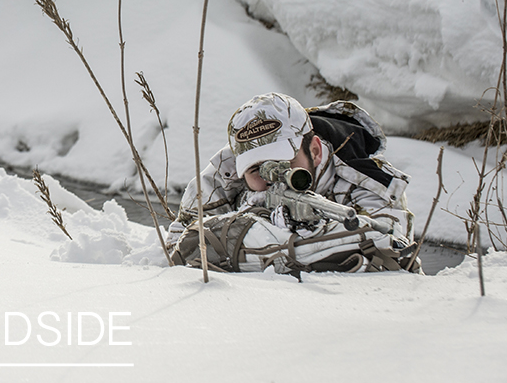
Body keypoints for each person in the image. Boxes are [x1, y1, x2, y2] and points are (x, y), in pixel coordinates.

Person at [166, 92, 419, 274]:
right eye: (256, 168)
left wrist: (305, 230)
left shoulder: (367, 181)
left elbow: (392, 250)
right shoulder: (227, 170)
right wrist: (259, 220)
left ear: (315, 151)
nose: (271, 178)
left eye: (283, 163)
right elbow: (182, 247)